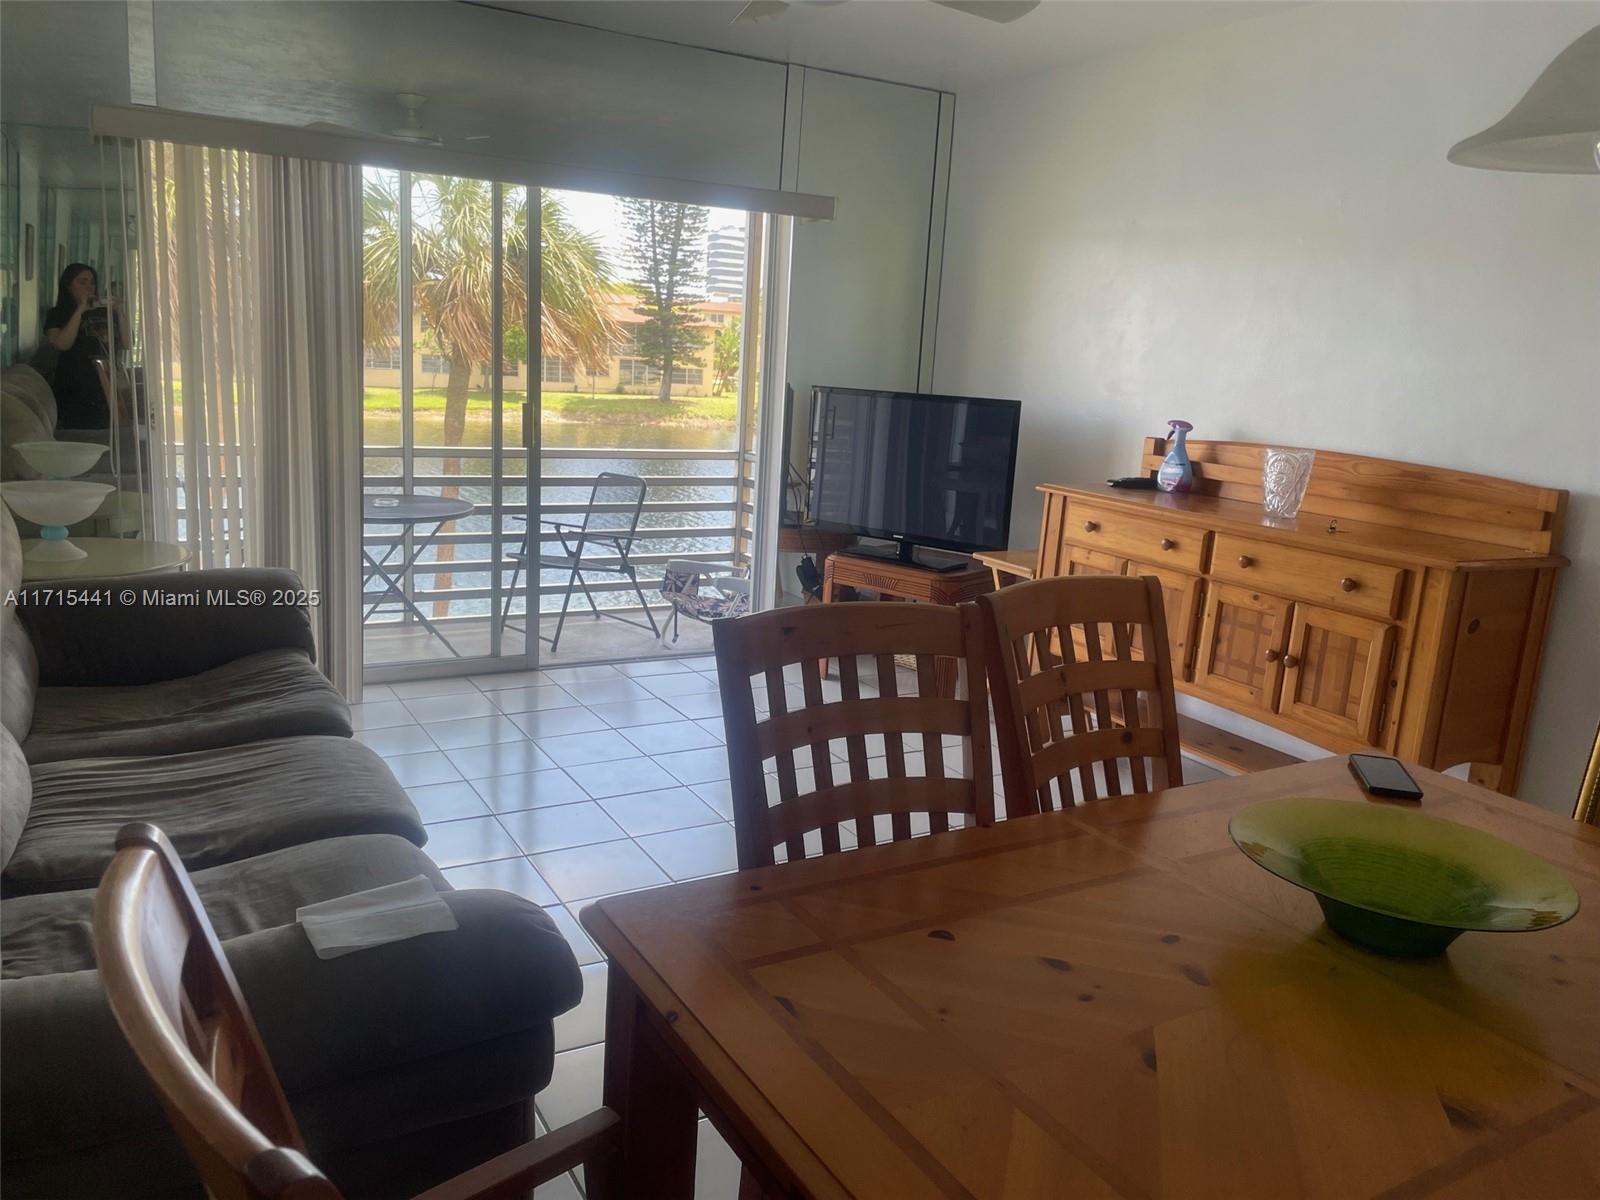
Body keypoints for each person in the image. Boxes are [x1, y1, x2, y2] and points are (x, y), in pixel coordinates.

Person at [43, 263, 121, 432]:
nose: (89, 287)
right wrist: (80, 311)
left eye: (92, 282)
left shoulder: (105, 312)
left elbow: (129, 343)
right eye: (82, 282)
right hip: (74, 384)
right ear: (69, 286)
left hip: (105, 383)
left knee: (108, 432)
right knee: (79, 431)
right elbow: (62, 344)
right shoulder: (58, 313)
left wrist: (120, 312)